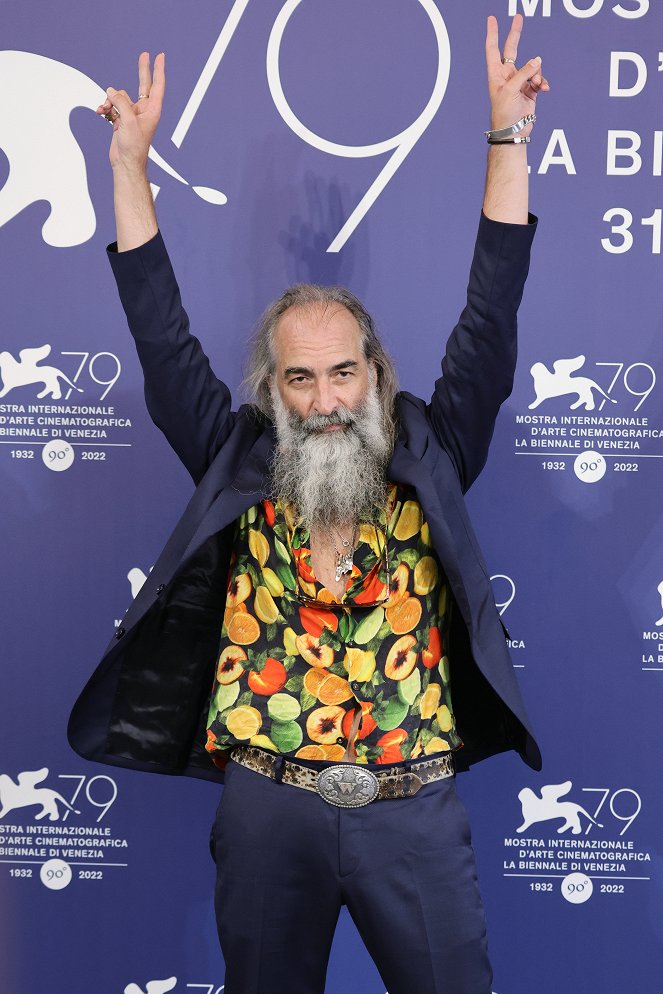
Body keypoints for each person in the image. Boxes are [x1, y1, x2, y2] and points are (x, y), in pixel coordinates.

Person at [69, 14, 548, 994]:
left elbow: (490, 318)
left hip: (412, 810)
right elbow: (162, 341)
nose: (326, 401)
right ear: (272, 386)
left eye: (342, 373)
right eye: (301, 379)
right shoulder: (235, 456)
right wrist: (129, 165)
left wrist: (507, 138)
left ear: (373, 371)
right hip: (266, 810)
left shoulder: (432, 447)